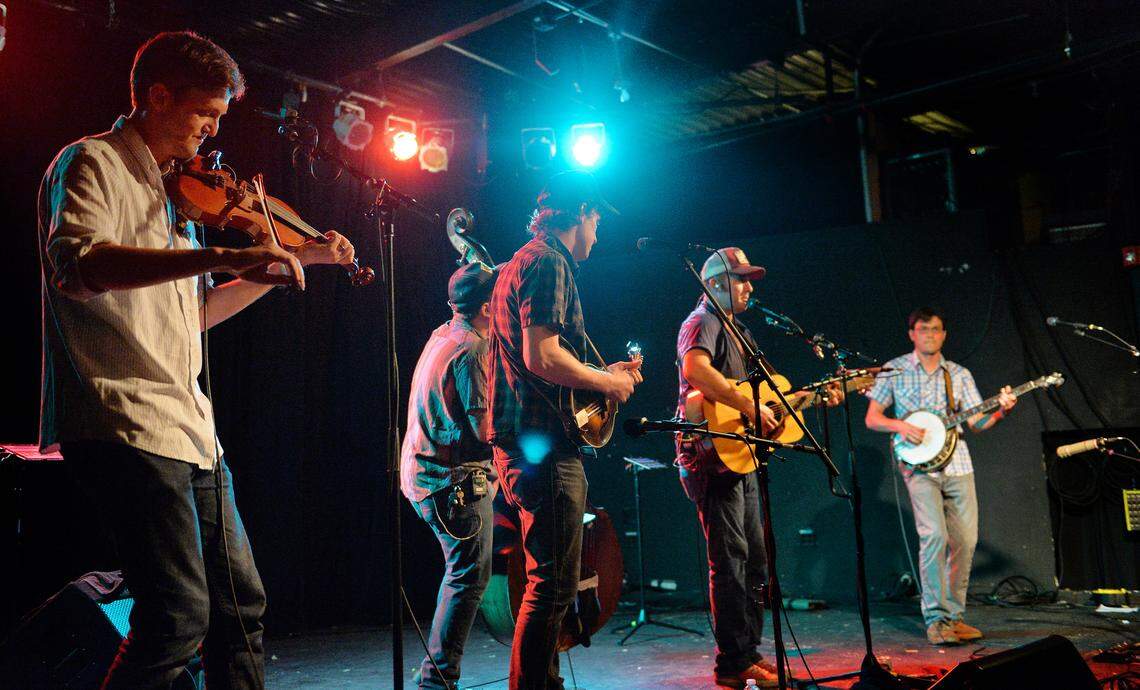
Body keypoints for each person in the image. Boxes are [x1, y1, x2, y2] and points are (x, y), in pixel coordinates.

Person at [37, 31, 355, 688]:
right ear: (158, 96)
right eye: (204, 116)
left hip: (189, 426)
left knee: (241, 608)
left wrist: (276, 268)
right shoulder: (91, 163)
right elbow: (78, 266)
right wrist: (219, 253)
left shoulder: (174, 198)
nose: (211, 134)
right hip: (121, 418)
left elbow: (194, 315)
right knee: (178, 614)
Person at [487, 171, 642, 689]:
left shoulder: (521, 263)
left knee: (548, 585)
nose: (598, 233)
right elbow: (543, 355)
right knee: (552, 588)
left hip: (528, 445)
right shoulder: (550, 261)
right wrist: (610, 384)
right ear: (581, 212)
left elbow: (546, 364)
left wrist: (604, 379)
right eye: (597, 219)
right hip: (545, 450)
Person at [676, 247, 837, 689]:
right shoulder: (703, 321)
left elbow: (767, 397)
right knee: (729, 561)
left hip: (739, 452)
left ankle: (748, 653)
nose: (750, 287)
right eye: (741, 279)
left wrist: (815, 397)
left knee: (754, 561)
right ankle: (731, 662)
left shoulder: (740, 331)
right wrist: (747, 403)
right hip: (710, 455)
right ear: (715, 284)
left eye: (750, 279)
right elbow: (696, 371)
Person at [864, 307, 1017, 646]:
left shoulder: (958, 374)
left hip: (958, 465)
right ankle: (936, 620)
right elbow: (873, 418)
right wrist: (901, 425)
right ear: (912, 334)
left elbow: (977, 423)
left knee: (965, 541)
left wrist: (1002, 410)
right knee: (933, 537)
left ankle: (954, 617)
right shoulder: (896, 370)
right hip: (918, 468)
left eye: (935, 329)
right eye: (923, 329)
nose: (929, 335)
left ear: (944, 334)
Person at [401, 262, 500, 689]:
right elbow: (484, 430)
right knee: (468, 576)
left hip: (421, 475)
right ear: (485, 307)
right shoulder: (474, 349)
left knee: (462, 574)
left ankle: (436, 677)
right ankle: (436, 681)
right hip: (450, 483)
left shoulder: (443, 333)